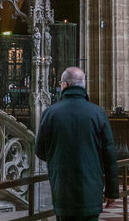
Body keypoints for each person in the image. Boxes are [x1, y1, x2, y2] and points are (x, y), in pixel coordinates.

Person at [34, 67, 118, 221]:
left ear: (64, 85)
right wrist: (112, 192)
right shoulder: (98, 113)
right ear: (83, 85)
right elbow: (109, 155)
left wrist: (57, 158)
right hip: (91, 190)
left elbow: (40, 150)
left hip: (62, 189)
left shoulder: (51, 113)